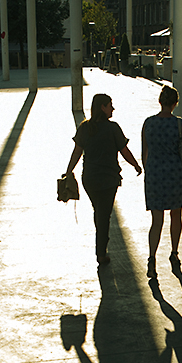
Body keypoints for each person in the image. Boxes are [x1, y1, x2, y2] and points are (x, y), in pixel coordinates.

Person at [64, 94, 141, 265]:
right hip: (108, 180)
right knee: (104, 215)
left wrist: (68, 171)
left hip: (89, 179)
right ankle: (100, 253)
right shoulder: (113, 128)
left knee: (99, 211)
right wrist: (136, 165)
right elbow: (124, 150)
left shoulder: (85, 128)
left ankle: (100, 243)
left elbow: (77, 152)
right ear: (102, 107)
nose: (112, 109)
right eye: (110, 105)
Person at [142, 85, 182, 278]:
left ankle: (151, 258)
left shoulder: (148, 123)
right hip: (175, 174)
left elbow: (144, 153)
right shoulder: (180, 124)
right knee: (176, 215)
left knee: (156, 221)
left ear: (160, 101)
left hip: (155, 174)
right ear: (175, 104)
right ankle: (174, 253)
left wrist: (149, 171)